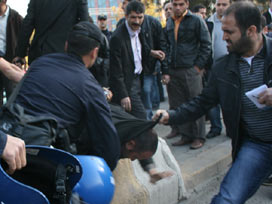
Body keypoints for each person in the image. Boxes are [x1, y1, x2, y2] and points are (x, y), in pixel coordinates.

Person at [154, 1, 272, 203]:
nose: (223, 37)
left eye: (229, 32)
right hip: (257, 145)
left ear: (251, 30)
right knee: (225, 199)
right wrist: (172, 116)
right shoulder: (223, 68)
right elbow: (202, 102)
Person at [7, 22, 121, 171]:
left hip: (6, 140)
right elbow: (109, 145)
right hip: (37, 160)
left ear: (66, 45)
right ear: (94, 52)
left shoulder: (40, 63)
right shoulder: (90, 86)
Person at [164, 0, 211, 149]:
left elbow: (206, 44)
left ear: (187, 4)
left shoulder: (196, 20)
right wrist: (167, 69)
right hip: (174, 69)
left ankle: (199, 136)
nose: (178, 8)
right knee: (179, 104)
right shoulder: (170, 22)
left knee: (195, 103)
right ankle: (186, 135)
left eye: (181, 4)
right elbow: (167, 45)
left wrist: (198, 66)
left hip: (191, 69)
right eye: (175, 4)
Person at [109, 1, 165, 120]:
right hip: (128, 83)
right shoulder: (117, 38)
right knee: (142, 117)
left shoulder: (140, 30)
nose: (137, 21)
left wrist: (151, 52)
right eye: (133, 17)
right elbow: (115, 70)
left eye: (140, 17)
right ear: (126, 16)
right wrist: (124, 95)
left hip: (141, 78)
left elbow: (140, 48)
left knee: (139, 115)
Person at [13, 0, 89, 65]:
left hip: (40, 55)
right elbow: (84, 26)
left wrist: (20, 53)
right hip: (67, 56)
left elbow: (27, 24)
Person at [205, 0, 231, 139]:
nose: (220, 7)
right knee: (212, 99)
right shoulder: (208, 22)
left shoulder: (235, 21)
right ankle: (215, 127)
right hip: (212, 67)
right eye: (218, 4)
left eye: (224, 4)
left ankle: (231, 128)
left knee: (228, 100)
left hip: (230, 67)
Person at [0, 0, 23, 103]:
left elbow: (24, 38)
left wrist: (20, 57)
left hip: (10, 61)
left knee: (12, 97)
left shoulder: (16, 17)